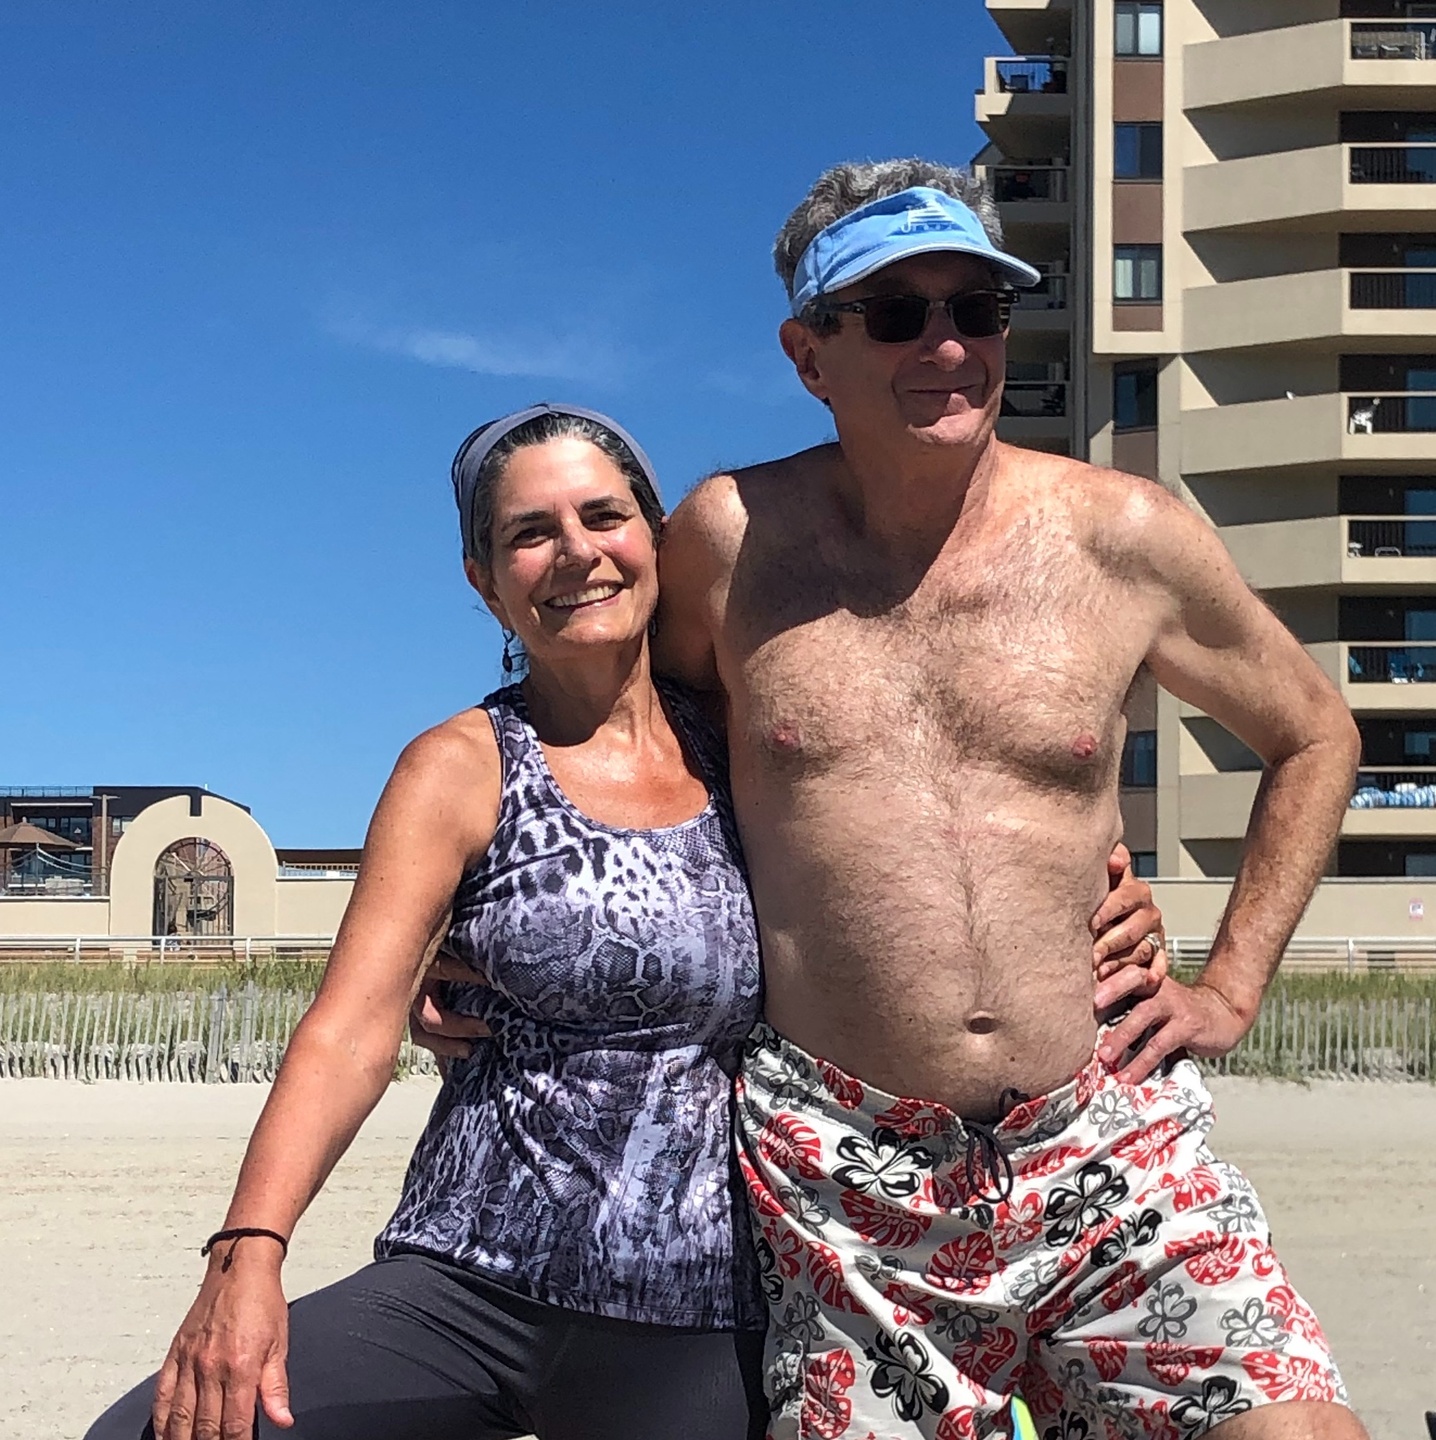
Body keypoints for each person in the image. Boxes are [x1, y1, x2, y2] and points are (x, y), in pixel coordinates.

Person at [84, 403, 1164, 1440]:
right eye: (528, 534)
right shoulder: (457, 767)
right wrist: (250, 1252)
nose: (574, 553)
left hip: (698, 1310)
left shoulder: (757, 747)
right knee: (148, 1431)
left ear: (656, 541)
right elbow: (349, 1028)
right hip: (468, 1279)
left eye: (602, 516)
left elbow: (950, 848)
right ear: (483, 581)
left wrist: (1102, 890)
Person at [645, 162, 1366, 1439]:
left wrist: (1227, 985)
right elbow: (622, 748)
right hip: (844, 1174)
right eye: (894, 314)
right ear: (807, 356)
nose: (945, 346)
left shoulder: (1122, 537)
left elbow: (1312, 733)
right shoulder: (728, 540)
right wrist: (478, 929)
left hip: (1108, 1137)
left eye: (975, 310)